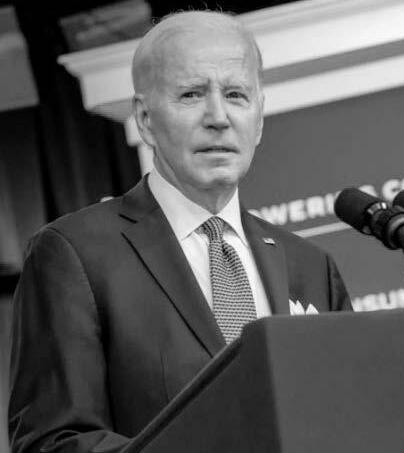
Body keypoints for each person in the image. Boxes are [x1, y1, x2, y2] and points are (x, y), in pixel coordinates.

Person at [8, 11, 351, 453]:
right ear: (145, 119)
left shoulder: (310, 266)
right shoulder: (76, 255)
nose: (218, 117)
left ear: (259, 118)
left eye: (236, 95)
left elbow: (352, 410)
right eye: (191, 94)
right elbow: (54, 441)